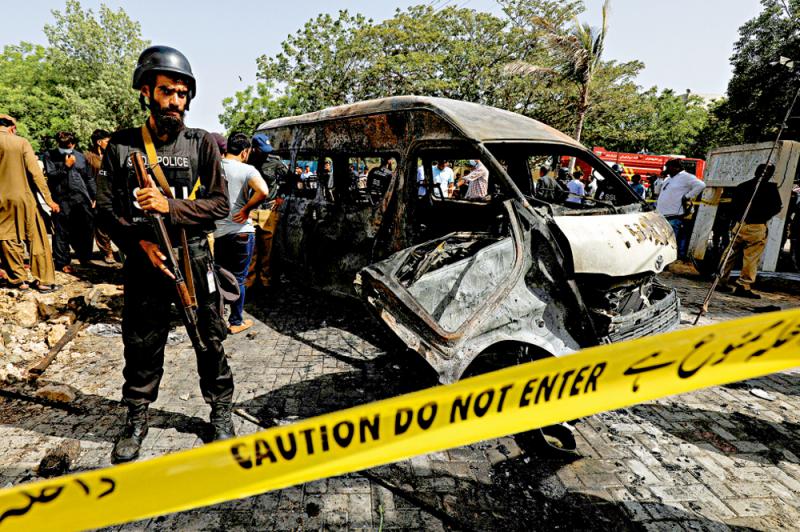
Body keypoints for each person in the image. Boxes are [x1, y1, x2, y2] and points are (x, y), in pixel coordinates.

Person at [95, 45, 236, 462]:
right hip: (146, 261)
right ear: (146, 92)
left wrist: (169, 206)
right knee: (141, 343)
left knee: (209, 338)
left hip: (193, 257)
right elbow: (105, 210)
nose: (175, 101)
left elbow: (219, 205)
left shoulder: (201, 143)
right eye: (166, 91)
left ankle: (221, 411)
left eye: (181, 93)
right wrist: (139, 243)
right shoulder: (121, 146)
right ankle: (137, 417)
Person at [214, 133, 268, 333]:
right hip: (241, 232)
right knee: (238, 278)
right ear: (245, 152)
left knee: (221, 276)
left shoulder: (214, 168)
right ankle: (236, 321)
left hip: (219, 232)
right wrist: (245, 209)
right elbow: (263, 191)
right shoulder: (247, 170)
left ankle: (217, 319)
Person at [0, 114, 60, 292]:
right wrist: (49, 200)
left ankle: (19, 280)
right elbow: (36, 174)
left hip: (2, 200)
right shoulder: (21, 142)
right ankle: (43, 281)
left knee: (7, 237)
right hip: (24, 197)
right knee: (36, 237)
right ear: (12, 127)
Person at [718, 163, 783, 299]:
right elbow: (777, 207)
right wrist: (763, 216)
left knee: (730, 253)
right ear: (770, 175)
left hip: (740, 224)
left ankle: (720, 279)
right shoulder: (770, 188)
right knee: (751, 257)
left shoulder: (742, 186)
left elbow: (732, 206)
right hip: (756, 226)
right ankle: (744, 285)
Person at [43, 131, 95, 273]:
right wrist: (66, 166)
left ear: (73, 144)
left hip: (81, 198)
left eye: (69, 145)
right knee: (61, 231)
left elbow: (89, 178)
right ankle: (62, 262)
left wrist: (94, 196)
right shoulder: (50, 155)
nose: (67, 147)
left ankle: (85, 257)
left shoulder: (81, 156)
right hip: (62, 198)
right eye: (63, 145)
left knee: (85, 228)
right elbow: (51, 176)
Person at [246, 134, 287, 292]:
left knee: (267, 251)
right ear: (254, 149)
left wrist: (281, 197)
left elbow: (290, 179)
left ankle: (265, 282)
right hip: (249, 210)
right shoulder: (247, 161)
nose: (265, 153)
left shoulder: (275, 162)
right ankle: (249, 283)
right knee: (251, 249)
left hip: (268, 210)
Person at [656, 159, 705, 259]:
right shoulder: (669, 179)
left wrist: (687, 196)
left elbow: (701, 185)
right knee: (663, 242)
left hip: (673, 216)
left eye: (668, 167)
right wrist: (660, 179)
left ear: (676, 168)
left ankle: (673, 259)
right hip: (662, 216)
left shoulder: (686, 177)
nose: (666, 170)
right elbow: (656, 191)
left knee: (672, 243)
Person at [85, 129, 116, 264]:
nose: (110, 144)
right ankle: (107, 252)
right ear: (99, 142)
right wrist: (93, 196)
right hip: (96, 195)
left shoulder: (112, 155)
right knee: (100, 225)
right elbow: (87, 178)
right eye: (107, 141)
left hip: (112, 195)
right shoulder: (88, 157)